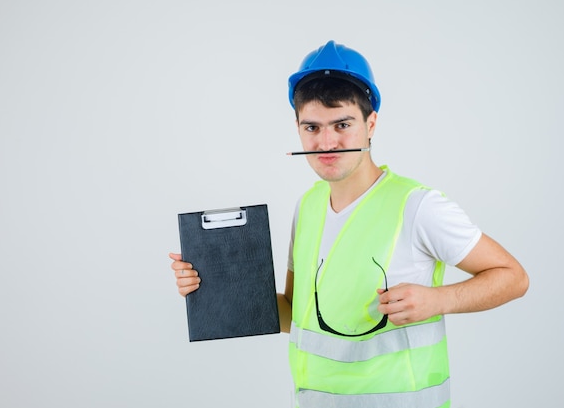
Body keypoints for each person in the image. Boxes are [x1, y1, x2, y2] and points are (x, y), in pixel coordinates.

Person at [169, 40, 529, 408]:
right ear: (297, 129)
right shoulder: (308, 207)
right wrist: (212, 287)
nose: (327, 142)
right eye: (312, 127)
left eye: (342, 124)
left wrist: (440, 299)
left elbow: (513, 277)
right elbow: (297, 315)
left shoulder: (418, 207)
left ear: (370, 124)